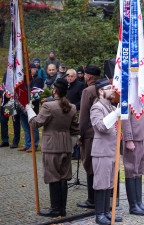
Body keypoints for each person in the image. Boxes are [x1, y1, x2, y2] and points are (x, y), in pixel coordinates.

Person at [26, 78, 79, 217]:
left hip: (51, 146)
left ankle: (56, 209)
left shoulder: (48, 106)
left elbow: (36, 123)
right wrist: (71, 143)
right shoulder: (72, 107)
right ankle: (62, 208)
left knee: (53, 177)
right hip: (66, 146)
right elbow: (75, 129)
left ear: (54, 90)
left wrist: (29, 111)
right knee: (64, 177)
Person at [90, 78, 123, 224]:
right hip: (102, 151)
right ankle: (100, 215)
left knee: (109, 184)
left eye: (112, 87)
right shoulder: (97, 108)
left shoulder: (111, 107)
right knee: (101, 183)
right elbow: (101, 127)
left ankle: (108, 211)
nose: (112, 90)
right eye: (109, 88)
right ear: (100, 91)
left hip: (112, 151)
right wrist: (116, 114)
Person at [122, 93, 144, 215]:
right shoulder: (128, 94)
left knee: (139, 171)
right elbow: (125, 118)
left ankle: (139, 203)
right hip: (134, 139)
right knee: (131, 170)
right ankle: (133, 205)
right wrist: (128, 139)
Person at [77, 65, 100, 209]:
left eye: (85, 75)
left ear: (89, 76)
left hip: (90, 134)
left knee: (90, 164)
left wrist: (79, 135)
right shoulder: (107, 87)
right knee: (101, 165)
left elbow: (83, 116)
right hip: (104, 132)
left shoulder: (88, 91)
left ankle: (92, 200)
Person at [18, 63, 43, 152]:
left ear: (35, 69)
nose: (30, 70)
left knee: (33, 126)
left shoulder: (38, 79)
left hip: (32, 106)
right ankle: (27, 144)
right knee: (25, 127)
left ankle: (34, 145)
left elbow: (34, 91)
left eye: (32, 68)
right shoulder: (24, 79)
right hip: (23, 106)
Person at [0, 72, 20, 148]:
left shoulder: (19, 73)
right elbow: (3, 86)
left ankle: (15, 141)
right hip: (5, 101)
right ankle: (5, 140)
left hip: (15, 101)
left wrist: (13, 94)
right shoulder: (6, 74)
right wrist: (5, 93)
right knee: (3, 121)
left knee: (16, 122)